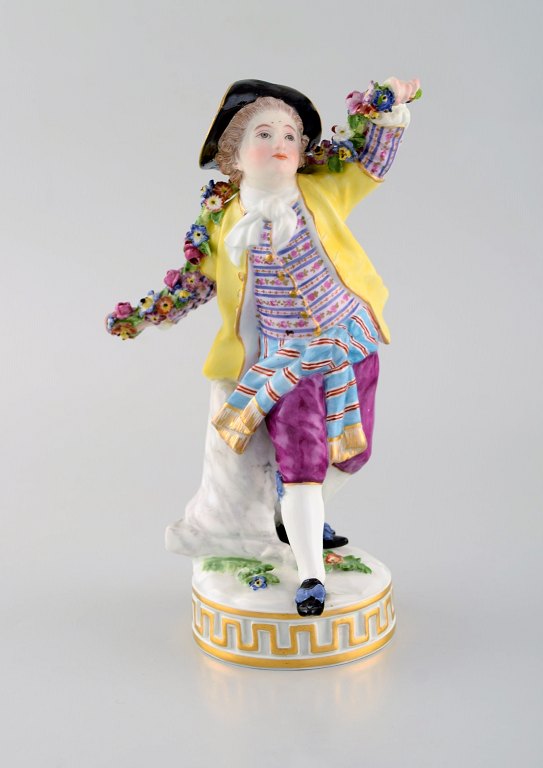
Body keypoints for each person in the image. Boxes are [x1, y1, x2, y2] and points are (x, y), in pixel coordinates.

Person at [106, 78, 420, 616]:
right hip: (285, 362)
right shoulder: (223, 225)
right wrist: (144, 316)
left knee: (355, 452)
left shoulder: (321, 191)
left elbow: (372, 163)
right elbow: (193, 285)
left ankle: (291, 517)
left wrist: (388, 107)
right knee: (303, 469)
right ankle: (311, 574)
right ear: (233, 154)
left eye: (291, 135)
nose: (281, 143)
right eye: (265, 133)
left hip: (350, 341)